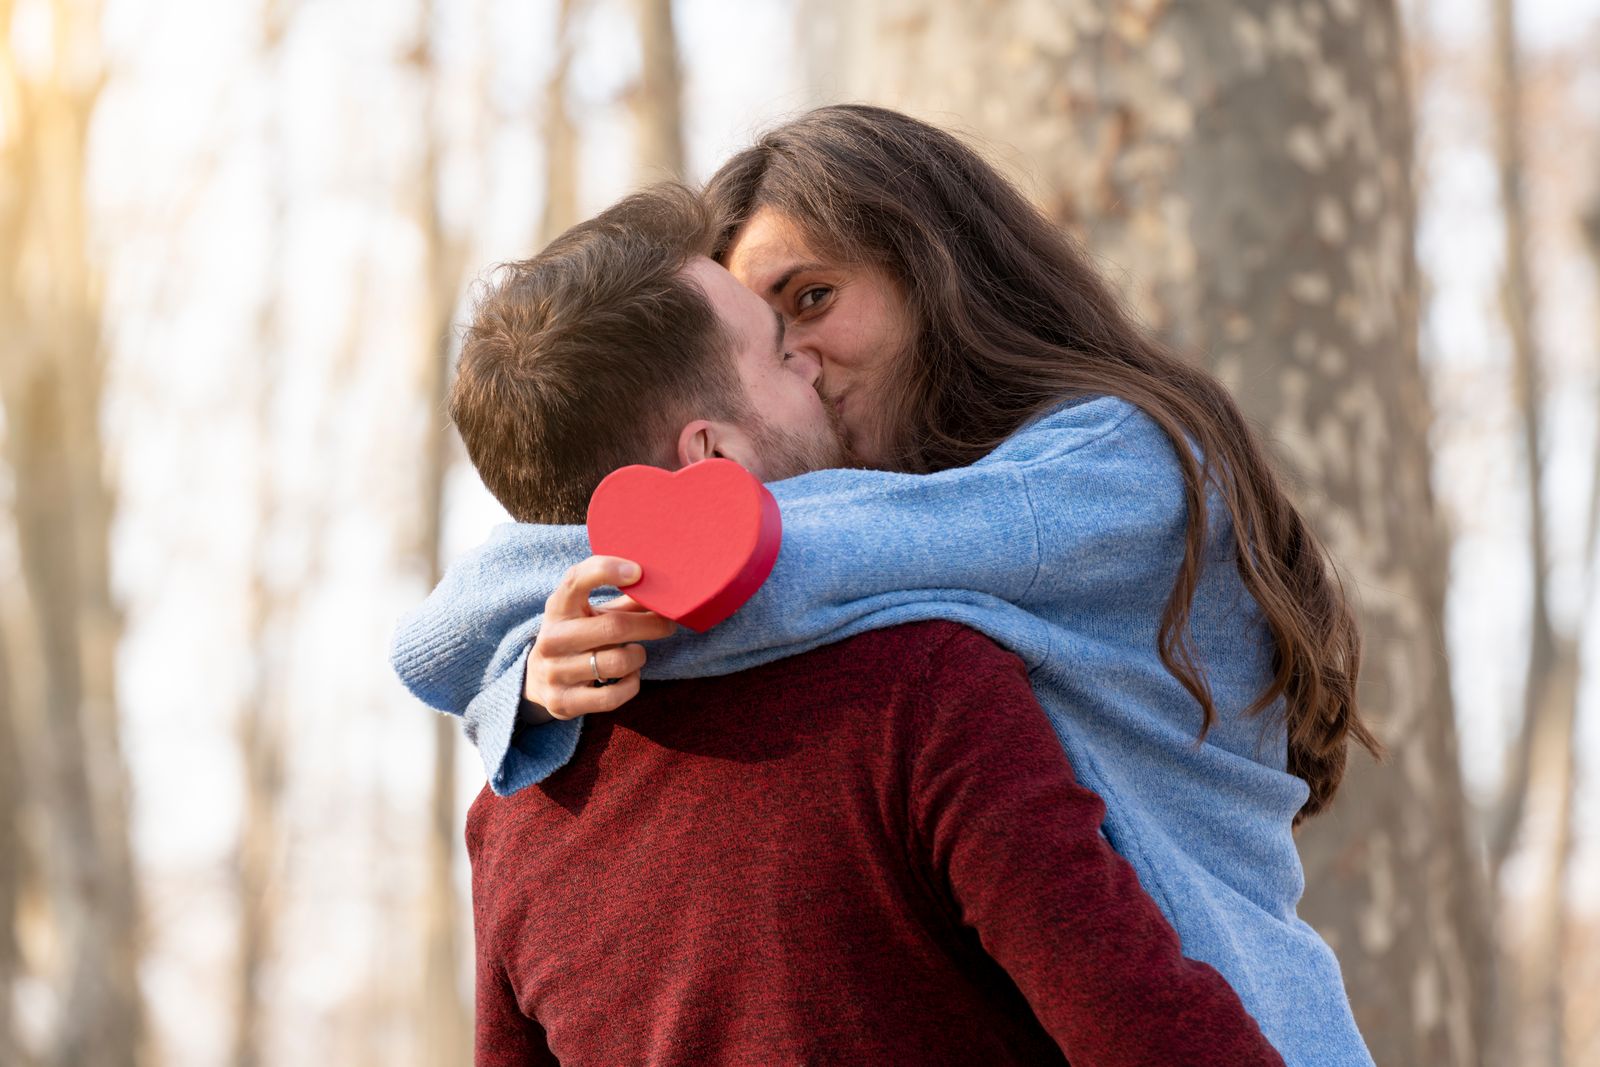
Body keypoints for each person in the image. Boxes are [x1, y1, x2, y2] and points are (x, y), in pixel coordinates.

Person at [393, 106, 1381, 1065]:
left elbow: (764, 562)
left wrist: (563, 630)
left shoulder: (1113, 469)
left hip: (1265, 1019)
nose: (800, 360)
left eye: (811, 299)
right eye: (769, 334)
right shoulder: (894, 672)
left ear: (938, 276)